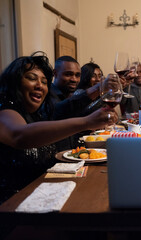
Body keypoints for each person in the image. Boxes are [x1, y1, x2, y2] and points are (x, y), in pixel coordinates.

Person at [0, 53, 117, 204]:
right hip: (12, 208)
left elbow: (64, 113)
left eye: (44, 81)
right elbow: (19, 135)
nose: (40, 85)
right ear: (14, 82)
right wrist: (86, 122)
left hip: (42, 196)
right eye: (31, 78)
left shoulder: (39, 114)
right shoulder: (4, 109)